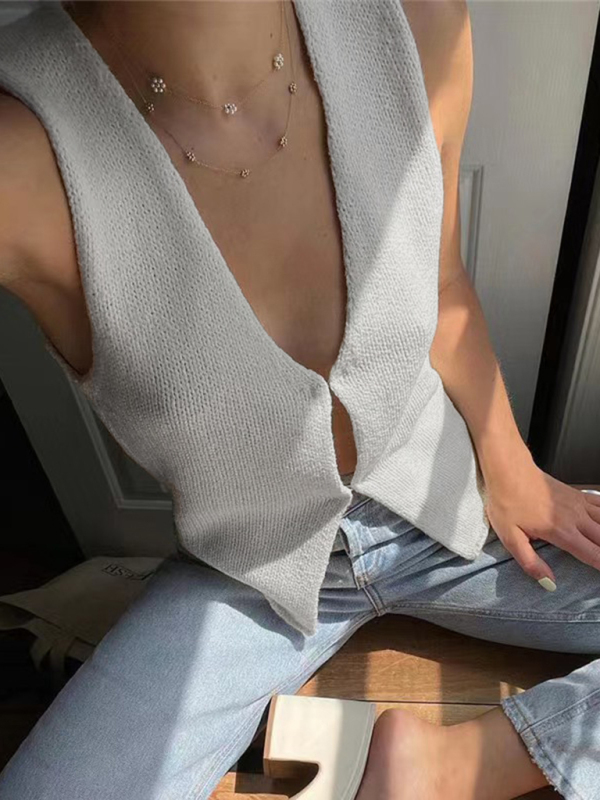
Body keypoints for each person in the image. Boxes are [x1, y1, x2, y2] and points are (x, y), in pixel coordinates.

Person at [0, 1, 599, 799]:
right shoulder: (21, 149)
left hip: (454, 505)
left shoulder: (417, 20)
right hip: (248, 577)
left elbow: (443, 282)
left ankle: (455, 767)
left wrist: (512, 463)